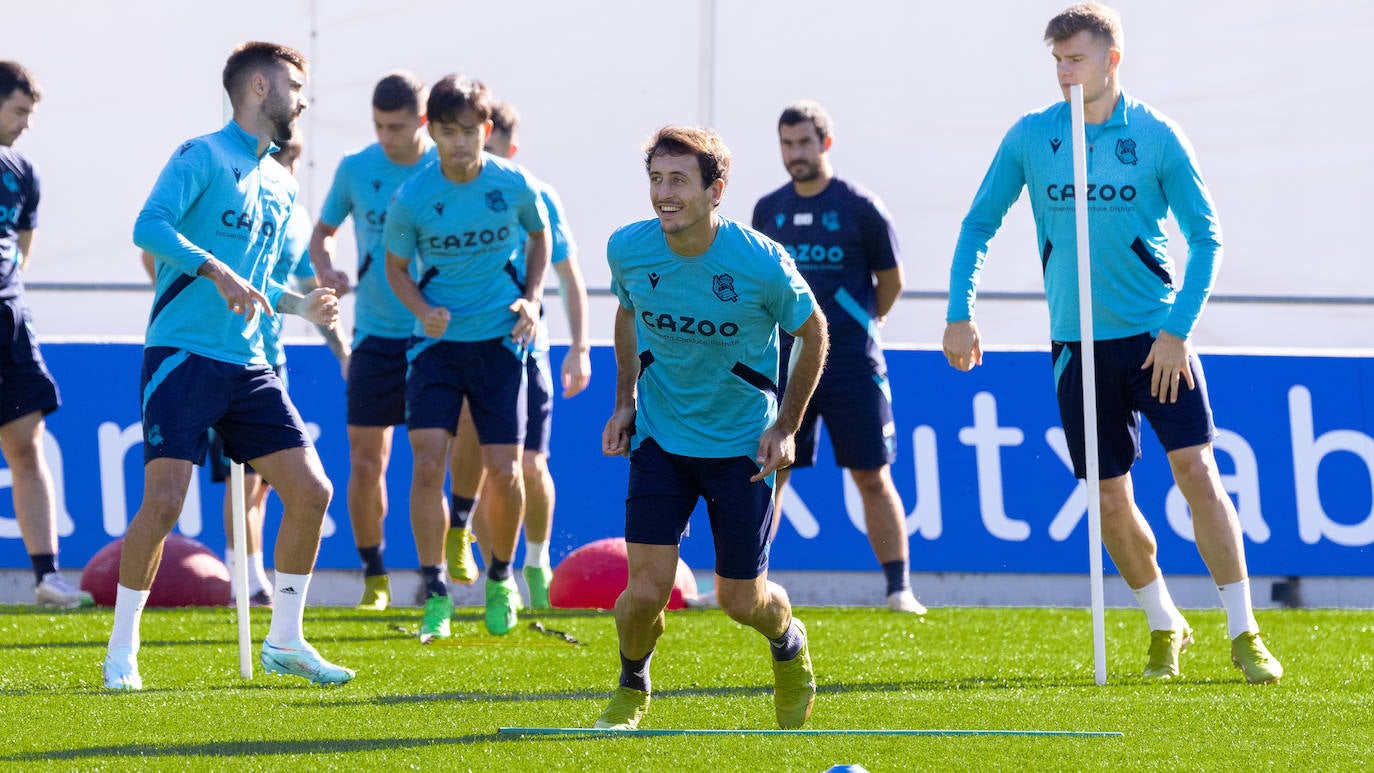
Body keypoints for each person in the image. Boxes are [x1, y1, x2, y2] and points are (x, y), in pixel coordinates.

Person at [942, 2, 1282, 684]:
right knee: (1108, 497)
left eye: (1078, 60)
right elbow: (979, 224)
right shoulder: (1032, 138)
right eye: (1058, 61)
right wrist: (959, 310)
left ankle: (1244, 630)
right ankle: (1164, 622)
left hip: (1158, 340)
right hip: (1077, 346)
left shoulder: (1157, 136)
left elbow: (1208, 239)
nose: (1066, 73)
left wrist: (1177, 330)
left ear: (1112, 60)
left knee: (1198, 475)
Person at [104, 41, 353, 690]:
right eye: (296, 85)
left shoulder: (280, 181)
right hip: (182, 355)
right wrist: (215, 270)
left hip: (248, 365)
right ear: (261, 89)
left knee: (311, 491)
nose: (305, 98)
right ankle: (121, 652)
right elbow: (148, 228)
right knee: (162, 503)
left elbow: (266, 286)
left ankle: (286, 640)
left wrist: (308, 304)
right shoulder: (200, 154)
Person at [595, 126, 828, 730]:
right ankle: (631, 686)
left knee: (740, 601)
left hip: (742, 448)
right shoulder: (628, 248)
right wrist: (624, 401)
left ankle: (788, 642)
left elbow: (814, 332)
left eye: (678, 180)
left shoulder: (760, 262)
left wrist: (787, 425)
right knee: (644, 593)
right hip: (660, 439)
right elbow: (626, 313)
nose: (663, 193)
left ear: (715, 189)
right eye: (655, 179)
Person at [383, 75, 550, 642]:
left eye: (470, 131)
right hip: (436, 348)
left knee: (506, 470)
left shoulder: (514, 184)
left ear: (486, 130)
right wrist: (422, 308)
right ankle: (435, 590)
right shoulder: (412, 197)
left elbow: (540, 235)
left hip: (502, 344)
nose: (460, 143)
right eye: (447, 132)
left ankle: (502, 577)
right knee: (427, 459)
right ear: (431, 132)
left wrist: (532, 296)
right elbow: (395, 270)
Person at [752, 101, 924, 614]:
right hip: (785, 364)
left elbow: (891, 283)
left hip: (851, 362)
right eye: (786, 144)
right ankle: (746, 580)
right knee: (769, 471)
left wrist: (866, 325)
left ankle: (899, 589)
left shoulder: (860, 207)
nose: (795, 154)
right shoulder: (767, 209)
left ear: (825, 143)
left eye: (804, 142)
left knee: (872, 475)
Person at [446, 99, 591, 609]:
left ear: (507, 146)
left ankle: (536, 558)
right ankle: (497, 578)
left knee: (530, 464)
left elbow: (570, 277)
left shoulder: (535, 194)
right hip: (470, 348)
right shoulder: (448, 192)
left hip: (529, 348)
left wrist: (578, 346)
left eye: (490, 146)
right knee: (487, 468)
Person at [310, 71, 435, 611]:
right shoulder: (356, 167)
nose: (387, 137)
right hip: (375, 336)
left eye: (399, 127)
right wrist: (327, 271)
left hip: (434, 338)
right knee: (366, 462)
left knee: (430, 459)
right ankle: (375, 575)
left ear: (422, 121)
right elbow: (322, 235)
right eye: (380, 126)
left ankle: (434, 578)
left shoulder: (445, 167)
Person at [0, 61, 92, 609]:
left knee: (27, 447)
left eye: (30, 114)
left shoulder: (22, 172)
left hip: (9, 325)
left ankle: (47, 578)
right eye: (18, 112)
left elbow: (23, 250)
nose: (25, 124)